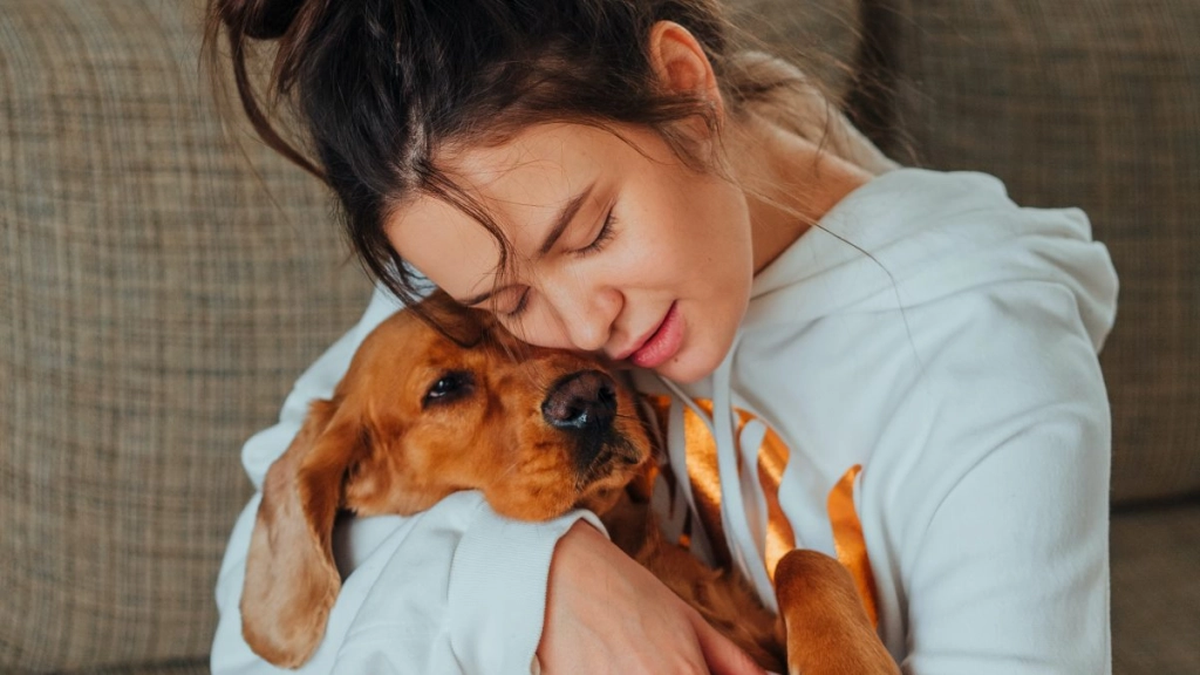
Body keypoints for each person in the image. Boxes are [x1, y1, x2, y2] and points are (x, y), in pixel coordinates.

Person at [205, 1, 1118, 673]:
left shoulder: (989, 346)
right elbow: (257, 628)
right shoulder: (475, 282)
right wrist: (534, 580)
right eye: (510, 300)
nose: (574, 332)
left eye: (592, 232)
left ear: (684, 88)